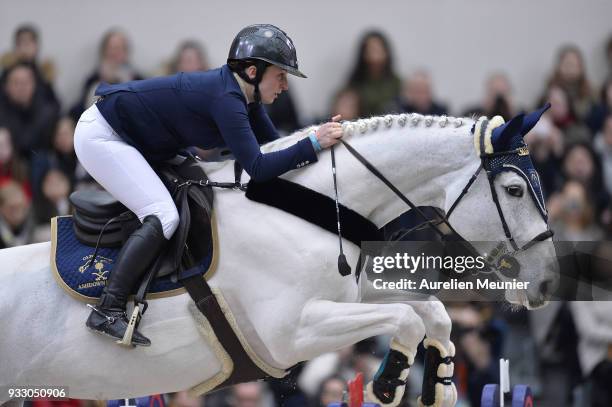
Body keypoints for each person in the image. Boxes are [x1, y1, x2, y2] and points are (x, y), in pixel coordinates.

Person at [74, 24, 344, 347]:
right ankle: (108, 307)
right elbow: (258, 168)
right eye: (281, 75)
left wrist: (316, 141)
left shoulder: (246, 97)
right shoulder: (227, 100)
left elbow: (275, 146)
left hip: (134, 138)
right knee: (163, 215)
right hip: (102, 135)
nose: (285, 85)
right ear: (254, 71)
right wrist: (314, 142)